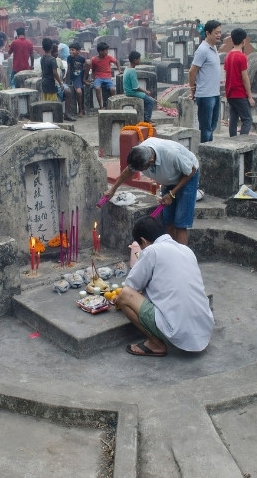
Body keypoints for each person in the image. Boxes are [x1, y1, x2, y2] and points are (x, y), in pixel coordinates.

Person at [113, 217, 214, 357]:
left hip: (178, 330)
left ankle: (156, 344)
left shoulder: (151, 251)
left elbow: (131, 287)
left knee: (125, 295)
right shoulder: (186, 249)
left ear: (143, 241)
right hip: (204, 328)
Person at [104, 138, 199, 246]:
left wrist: (172, 194)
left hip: (186, 176)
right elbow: (128, 171)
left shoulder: (171, 154)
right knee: (168, 221)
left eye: (142, 169)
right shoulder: (141, 152)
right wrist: (113, 189)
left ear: (151, 162)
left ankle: (182, 258)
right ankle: (169, 253)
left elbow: (191, 170)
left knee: (180, 223)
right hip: (168, 180)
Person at [188, 20, 223, 143]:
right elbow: (192, 71)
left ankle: (210, 150)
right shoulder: (202, 50)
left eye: (220, 32)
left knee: (212, 127)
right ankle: (203, 153)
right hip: (205, 95)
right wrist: (192, 89)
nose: (219, 35)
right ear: (208, 33)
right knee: (205, 128)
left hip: (215, 93)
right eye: (216, 33)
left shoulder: (213, 48)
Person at [224, 28, 254, 136]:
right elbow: (245, 78)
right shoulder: (242, 57)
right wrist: (250, 96)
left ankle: (233, 140)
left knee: (233, 119)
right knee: (247, 119)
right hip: (240, 93)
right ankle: (242, 142)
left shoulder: (228, 56)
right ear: (243, 41)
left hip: (230, 93)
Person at [40, 38, 74, 120]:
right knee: (53, 102)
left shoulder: (42, 58)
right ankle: (55, 119)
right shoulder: (52, 60)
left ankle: (47, 118)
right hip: (52, 84)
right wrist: (61, 83)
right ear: (51, 47)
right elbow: (55, 73)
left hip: (44, 82)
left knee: (46, 100)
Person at [123, 51, 155, 123]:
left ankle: (145, 116)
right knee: (150, 101)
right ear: (135, 60)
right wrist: (146, 91)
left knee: (147, 100)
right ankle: (147, 119)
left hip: (127, 91)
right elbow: (135, 87)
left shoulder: (127, 68)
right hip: (131, 92)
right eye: (139, 59)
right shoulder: (132, 71)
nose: (140, 60)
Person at [90, 41, 120, 110]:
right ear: (100, 51)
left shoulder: (108, 57)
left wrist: (119, 70)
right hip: (98, 77)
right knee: (97, 88)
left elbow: (116, 62)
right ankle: (101, 106)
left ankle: (113, 105)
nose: (107, 52)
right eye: (106, 50)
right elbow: (93, 69)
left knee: (112, 89)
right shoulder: (94, 59)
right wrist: (93, 77)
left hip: (107, 77)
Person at [66, 42, 90, 117]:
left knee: (88, 63)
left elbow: (86, 66)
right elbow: (69, 69)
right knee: (79, 92)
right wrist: (68, 80)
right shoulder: (69, 58)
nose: (71, 52)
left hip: (80, 76)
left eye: (73, 50)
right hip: (75, 77)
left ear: (78, 51)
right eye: (70, 50)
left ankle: (81, 110)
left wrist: (85, 77)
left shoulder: (81, 58)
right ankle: (80, 109)